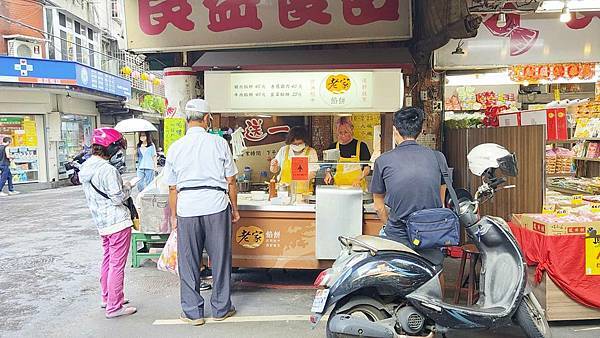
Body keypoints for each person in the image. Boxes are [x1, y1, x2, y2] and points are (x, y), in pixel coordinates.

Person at [163, 99, 239, 326]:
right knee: (221, 258)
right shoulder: (219, 144)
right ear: (207, 119)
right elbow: (232, 180)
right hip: (216, 205)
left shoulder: (176, 147)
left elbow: (172, 187)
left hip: (187, 207)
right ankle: (221, 308)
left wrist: (174, 216)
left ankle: (193, 312)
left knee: (188, 261)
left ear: (187, 120)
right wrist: (234, 209)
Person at [369, 107, 449, 266]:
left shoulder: (383, 160)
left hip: (398, 234)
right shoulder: (438, 158)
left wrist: (389, 225)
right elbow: (440, 202)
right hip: (429, 232)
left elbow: (378, 206)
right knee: (435, 268)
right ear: (420, 130)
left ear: (394, 130)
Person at [79, 128, 137, 319]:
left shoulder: (86, 168)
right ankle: (114, 306)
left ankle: (107, 298)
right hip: (117, 223)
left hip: (102, 223)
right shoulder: (108, 170)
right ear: (110, 148)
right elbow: (118, 197)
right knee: (117, 265)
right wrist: (128, 186)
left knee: (107, 260)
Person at [324, 117, 372, 190]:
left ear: (352, 130)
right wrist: (328, 173)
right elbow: (328, 166)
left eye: (346, 132)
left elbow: (367, 167)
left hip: (357, 187)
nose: (343, 135)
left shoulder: (361, 146)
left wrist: (360, 177)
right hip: (338, 188)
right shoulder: (333, 147)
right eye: (340, 132)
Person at [269, 126, 319, 194]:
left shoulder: (311, 152)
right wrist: (273, 165)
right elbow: (274, 170)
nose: (297, 145)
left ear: (305, 141)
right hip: (284, 191)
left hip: (304, 192)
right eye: (294, 144)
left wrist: (301, 180)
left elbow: (313, 172)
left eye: (300, 143)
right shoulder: (284, 150)